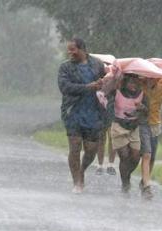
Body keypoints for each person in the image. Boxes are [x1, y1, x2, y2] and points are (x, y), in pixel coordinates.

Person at [58, 38, 106, 194]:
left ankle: (82, 170)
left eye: (73, 49)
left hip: (93, 112)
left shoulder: (98, 65)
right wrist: (87, 87)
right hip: (72, 112)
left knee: (91, 150)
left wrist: (104, 83)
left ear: (83, 49)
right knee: (75, 147)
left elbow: (107, 83)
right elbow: (65, 87)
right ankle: (77, 182)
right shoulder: (65, 67)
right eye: (69, 50)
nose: (70, 53)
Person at [108, 74, 148, 192]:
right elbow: (108, 105)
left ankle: (126, 175)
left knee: (136, 157)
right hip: (118, 126)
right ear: (125, 82)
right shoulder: (116, 93)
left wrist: (142, 108)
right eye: (131, 82)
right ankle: (125, 184)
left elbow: (147, 112)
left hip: (134, 127)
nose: (134, 85)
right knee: (124, 156)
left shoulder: (142, 94)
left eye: (136, 83)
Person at [95, 93, 116, 175]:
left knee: (112, 138)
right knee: (101, 139)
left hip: (112, 110)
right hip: (100, 113)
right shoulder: (97, 80)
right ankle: (100, 166)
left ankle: (111, 165)